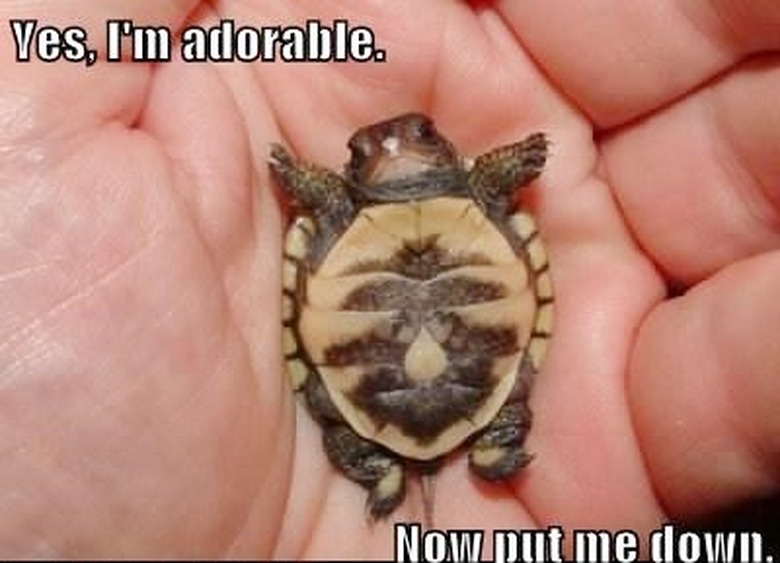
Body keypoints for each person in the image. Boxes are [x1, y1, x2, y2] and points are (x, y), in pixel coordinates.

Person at [1, 0, 778, 557]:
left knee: (387, 424)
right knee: (468, 421)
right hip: (455, 338)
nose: (396, 146)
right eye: (373, 148)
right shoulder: (438, 194)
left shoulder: (343, 203)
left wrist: (306, 180)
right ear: (354, 174)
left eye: (415, 136)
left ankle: (399, 463)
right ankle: (441, 452)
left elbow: (336, 206)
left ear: (441, 150)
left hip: (375, 351)